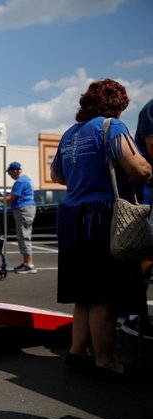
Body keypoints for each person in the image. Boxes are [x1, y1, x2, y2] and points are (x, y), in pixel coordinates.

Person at [50, 79, 151, 377]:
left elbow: (57, 175)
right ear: (116, 104)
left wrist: (83, 176)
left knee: (84, 293)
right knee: (104, 294)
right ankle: (105, 360)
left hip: (71, 217)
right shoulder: (112, 128)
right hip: (101, 217)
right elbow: (139, 169)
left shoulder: (69, 134)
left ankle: (76, 351)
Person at [124, 98, 153, 339]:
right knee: (144, 257)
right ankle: (135, 316)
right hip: (146, 194)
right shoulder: (151, 108)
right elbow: (151, 145)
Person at [0, 161, 36, 273]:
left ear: (16, 171)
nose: (9, 175)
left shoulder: (20, 181)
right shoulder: (26, 179)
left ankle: (29, 264)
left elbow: (10, 198)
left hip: (23, 210)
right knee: (23, 236)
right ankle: (26, 262)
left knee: (24, 236)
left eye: (10, 172)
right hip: (26, 209)